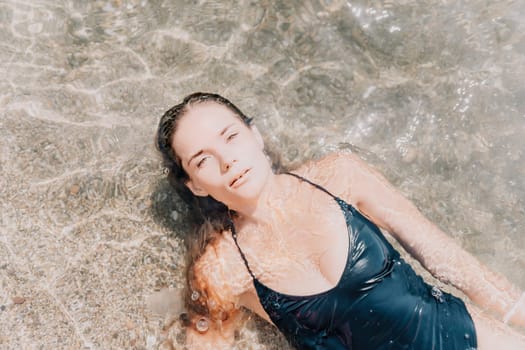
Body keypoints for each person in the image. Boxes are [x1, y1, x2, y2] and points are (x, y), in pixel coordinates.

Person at [156, 92, 525, 349]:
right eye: (203, 160)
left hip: (465, 338)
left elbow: (449, 261)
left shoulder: (340, 176)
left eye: (231, 136)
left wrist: (518, 312)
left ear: (255, 134)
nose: (228, 161)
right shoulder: (222, 269)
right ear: (195, 185)